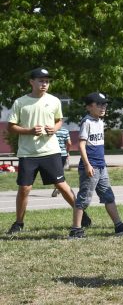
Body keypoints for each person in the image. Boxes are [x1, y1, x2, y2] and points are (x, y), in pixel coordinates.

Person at [6, 68, 89, 235]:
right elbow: (11, 127)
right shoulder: (20, 102)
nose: (44, 84)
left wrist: (55, 128)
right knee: (24, 189)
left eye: (47, 81)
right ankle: (18, 223)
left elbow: (59, 120)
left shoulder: (54, 101)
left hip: (50, 151)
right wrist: (29, 131)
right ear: (31, 82)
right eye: (41, 80)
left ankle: (81, 215)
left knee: (61, 185)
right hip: (28, 153)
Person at [69, 92, 123, 239]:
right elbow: (81, 145)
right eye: (99, 104)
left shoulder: (100, 122)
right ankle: (75, 230)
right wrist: (87, 165)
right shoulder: (87, 122)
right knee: (84, 198)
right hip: (91, 166)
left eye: (104, 105)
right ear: (89, 107)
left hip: (101, 166)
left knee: (108, 196)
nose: (103, 107)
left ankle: (119, 226)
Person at [51, 125, 72, 197]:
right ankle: (59, 186)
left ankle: (58, 187)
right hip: (63, 153)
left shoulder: (52, 131)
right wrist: (67, 152)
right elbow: (69, 143)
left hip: (54, 153)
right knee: (60, 171)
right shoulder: (65, 131)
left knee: (55, 172)